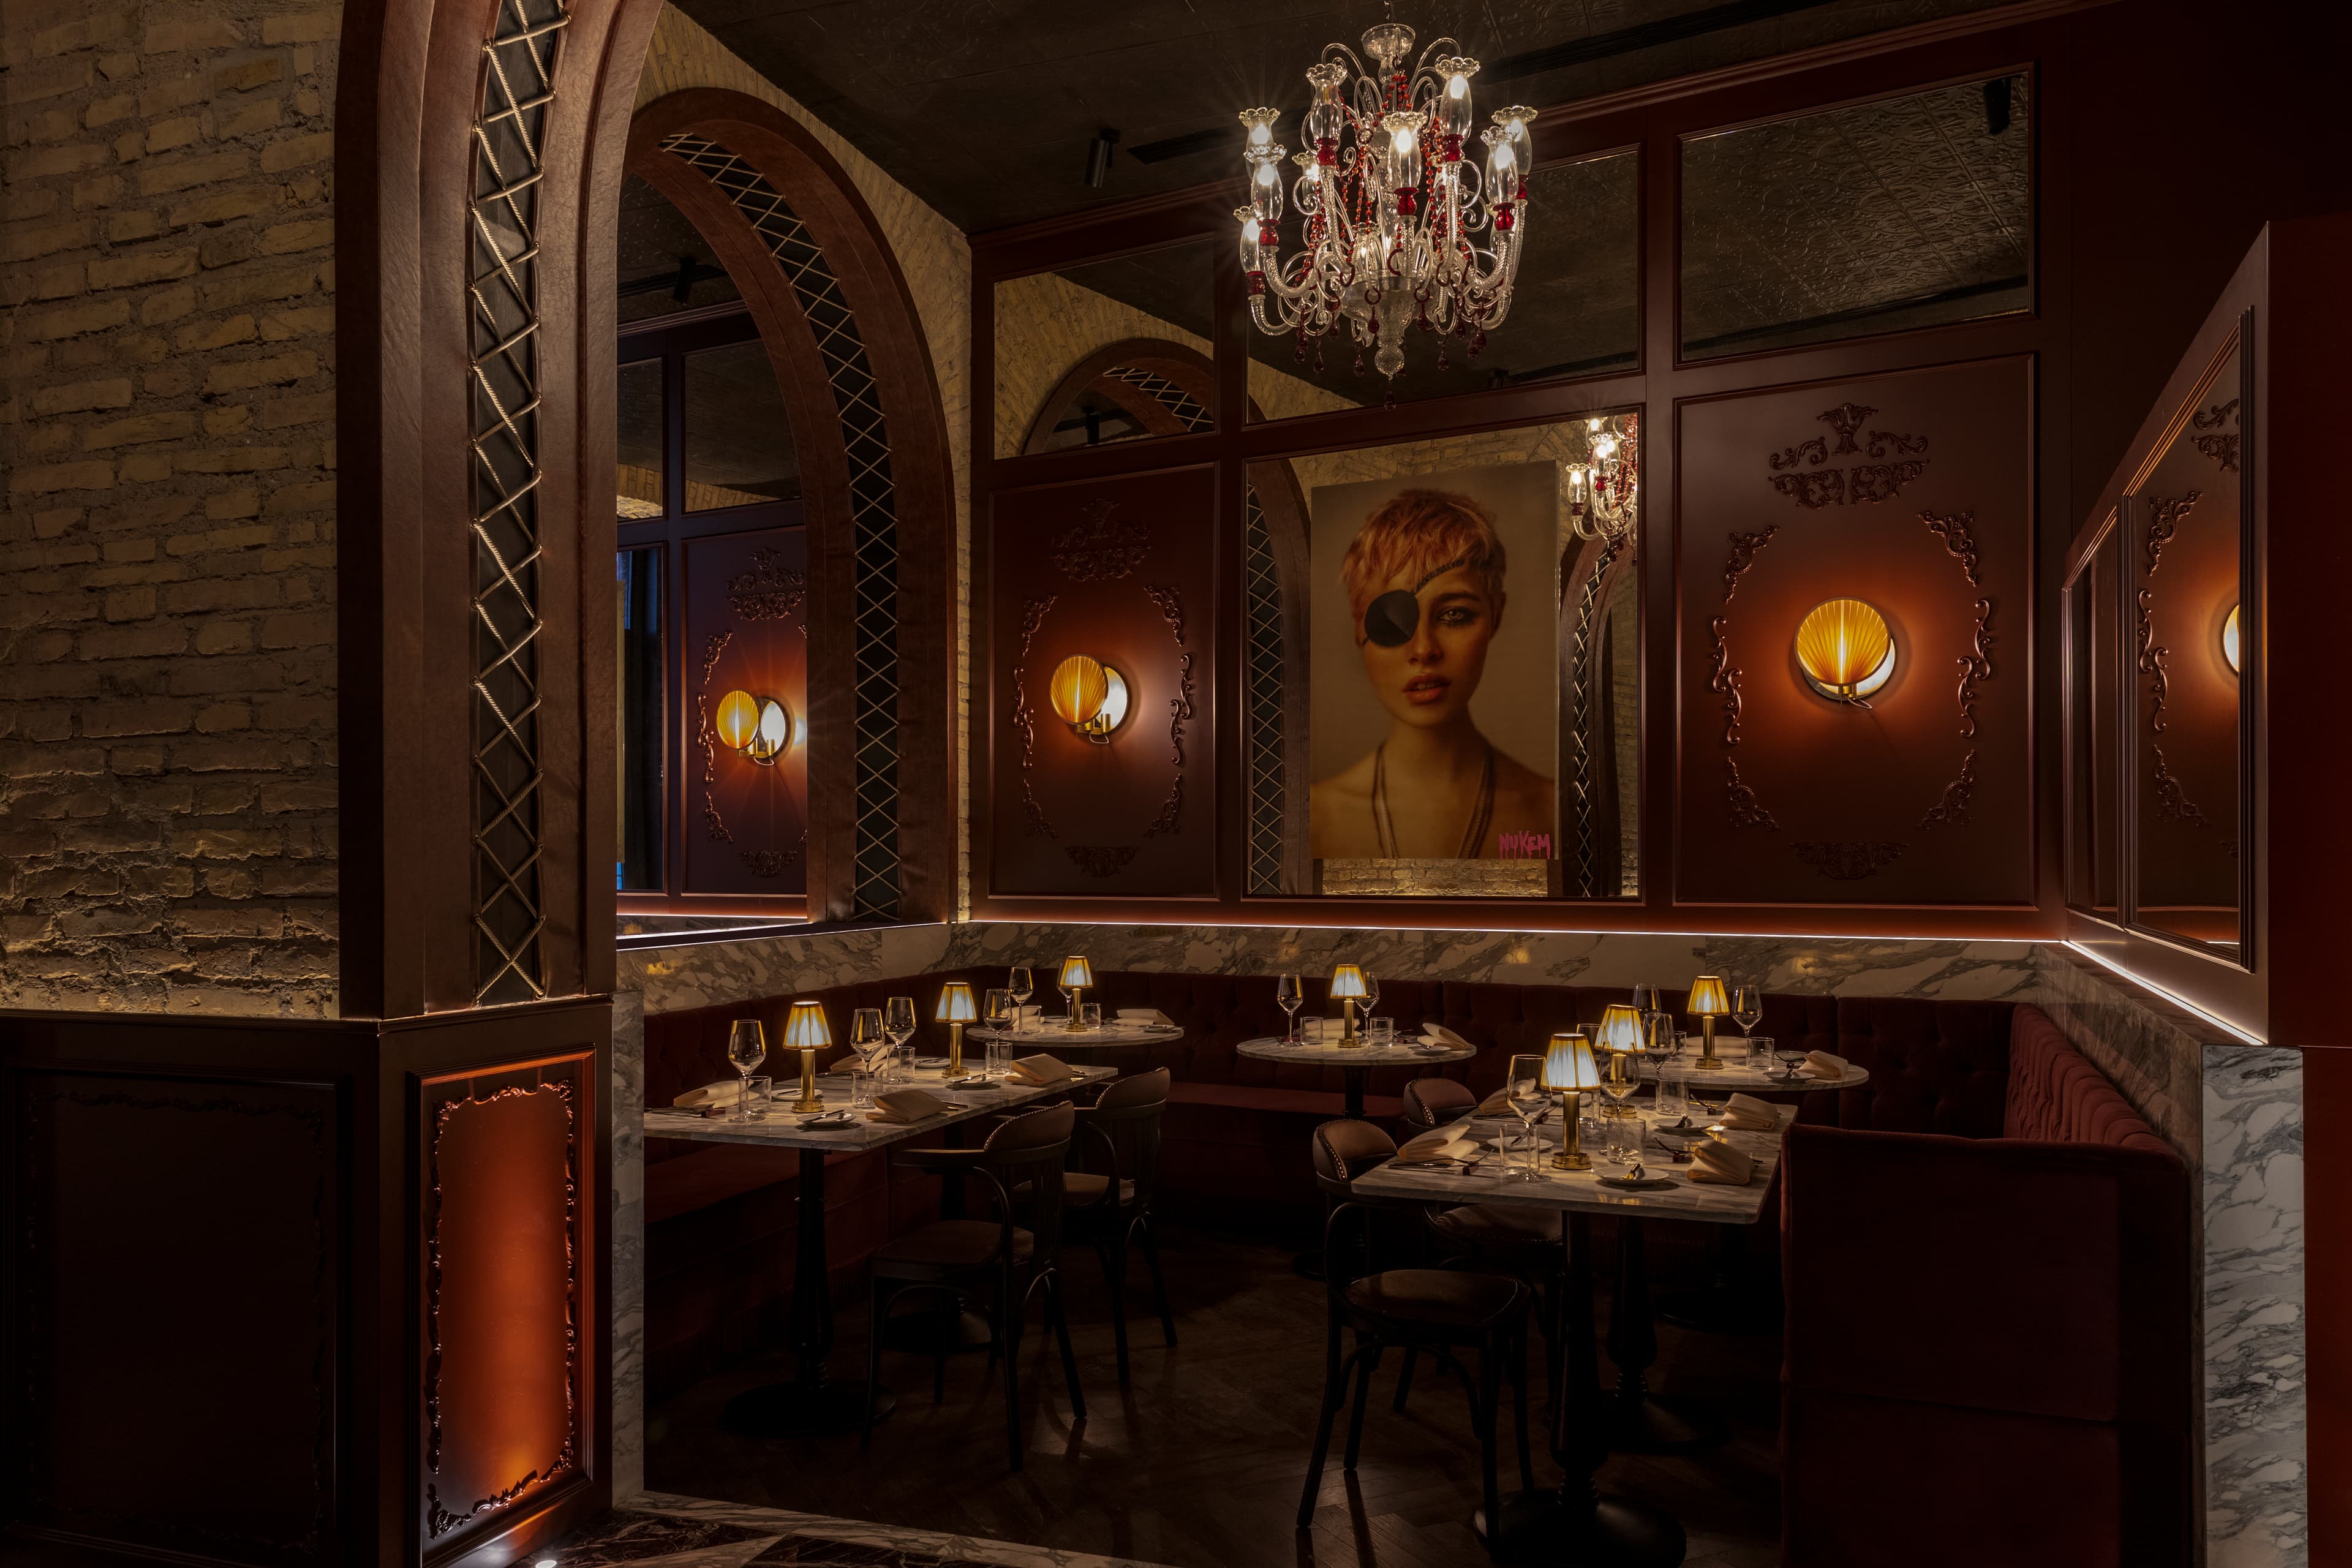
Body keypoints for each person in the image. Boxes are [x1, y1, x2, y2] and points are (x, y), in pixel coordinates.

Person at [1310, 488, 1555, 859]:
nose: (1424, 649)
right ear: (1359, 627)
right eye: (1392, 620)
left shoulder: (1553, 816)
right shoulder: (1313, 820)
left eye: (1454, 615)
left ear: (1496, 615)